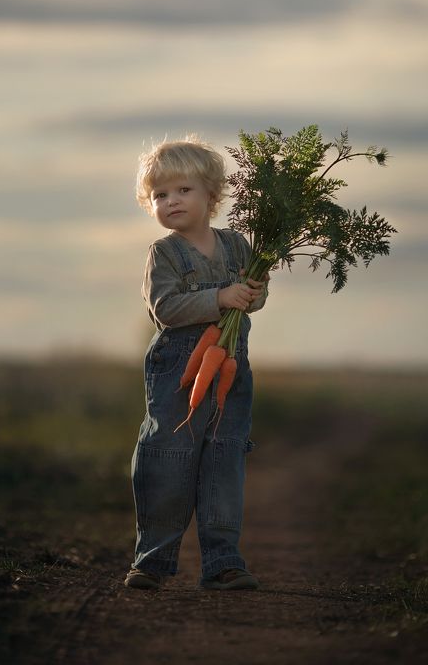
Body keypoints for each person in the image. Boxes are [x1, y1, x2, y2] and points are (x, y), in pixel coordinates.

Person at [124, 135, 269, 591]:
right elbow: (165, 309)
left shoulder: (237, 246)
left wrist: (253, 294)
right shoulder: (164, 253)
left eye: (182, 191)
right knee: (169, 457)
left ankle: (224, 560)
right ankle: (151, 560)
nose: (171, 201)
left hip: (230, 368)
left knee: (224, 461)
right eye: (160, 195)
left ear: (212, 195)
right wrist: (220, 297)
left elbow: (254, 298)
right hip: (177, 374)